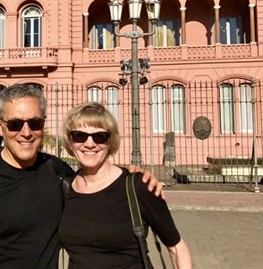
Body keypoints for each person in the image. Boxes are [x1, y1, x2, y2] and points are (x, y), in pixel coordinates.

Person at [0, 84, 163, 269]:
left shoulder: (57, 172)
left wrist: (132, 177)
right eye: (15, 124)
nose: (26, 133)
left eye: (35, 123)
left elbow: (96, 186)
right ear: (0, 126)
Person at [58, 102, 192, 269]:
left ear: (110, 141)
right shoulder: (64, 186)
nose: (90, 144)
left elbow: (176, 247)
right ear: (70, 141)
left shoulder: (138, 185)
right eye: (80, 136)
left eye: (100, 136)